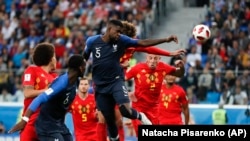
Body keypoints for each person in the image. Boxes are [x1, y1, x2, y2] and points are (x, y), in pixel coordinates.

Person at [83, 19, 180, 141]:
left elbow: (148, 48)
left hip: (116, 81)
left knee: (119, 119)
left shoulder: (129, 46)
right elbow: (95, 58)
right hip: (101, 83)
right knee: (103, 118)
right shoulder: (104, 43)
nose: (132, 40)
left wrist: (169, 53)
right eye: (132, 38)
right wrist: (120, 64)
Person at [8, 54, 86, 141]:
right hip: (46, 125)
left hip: (58, 124)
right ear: (80, 68)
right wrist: (24, 120)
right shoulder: (62, 83)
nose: (86, 68)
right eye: (84, 65)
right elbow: (40, 98)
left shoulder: (76, 83)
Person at [125, 54, 185, 135]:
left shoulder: (163, 67)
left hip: (153, 109)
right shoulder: (137, 68)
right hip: (139, 107)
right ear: (146, 58)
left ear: (159, 59)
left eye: (155, 58)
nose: (153, 60)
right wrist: (126, 94)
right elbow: (120, 80)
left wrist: (182, 67)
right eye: (150, 58)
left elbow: (180, 74)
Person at [20, 42, 58, 141]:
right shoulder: (32, 70)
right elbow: (27, 93)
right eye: (55, 56)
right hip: (30, 122)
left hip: (47, 124)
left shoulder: (54, 77)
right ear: (50, 58)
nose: (56, 60)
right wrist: (48, 91)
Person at [68, 77, 98, 141]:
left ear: (89, 86)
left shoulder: (95, 99)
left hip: (95, 134)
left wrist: (97, 115)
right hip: (80, 136)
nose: (83, 86)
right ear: (78, 86)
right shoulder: (72, 100)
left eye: (85, 84)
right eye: (81, 84)